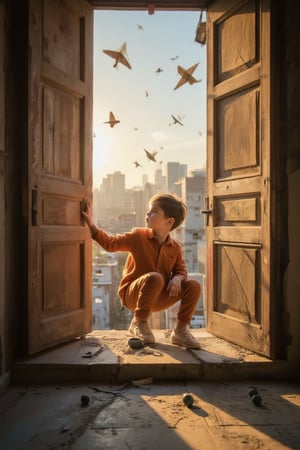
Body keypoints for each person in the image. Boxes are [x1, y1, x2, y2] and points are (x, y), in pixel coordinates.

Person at [81, 193, 201, 349]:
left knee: (193, 286)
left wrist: (177, 278)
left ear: (169, 221)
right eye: (148, 210)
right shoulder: (138, 236)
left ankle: (180, 331)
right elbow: (111, 244)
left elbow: (181, 270)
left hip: (157, 298)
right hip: (133, 295)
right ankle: (138, 322)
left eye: (154, 211)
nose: (147, 214)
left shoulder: (175, 247)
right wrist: (92, 225)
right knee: (156, 278)